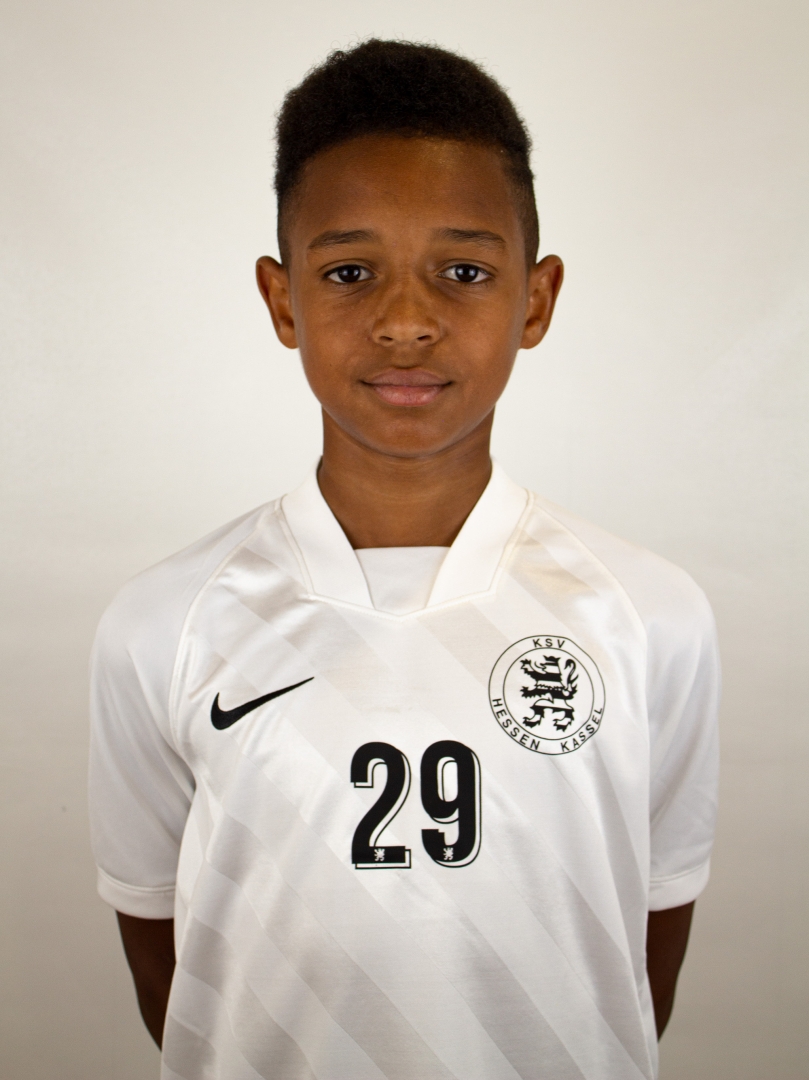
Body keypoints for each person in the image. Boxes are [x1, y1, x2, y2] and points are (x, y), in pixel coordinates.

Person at [89, 39, 720, 1080]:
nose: (405, 322)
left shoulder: (648, 614)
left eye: (462, 272)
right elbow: (168, 955)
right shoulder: (164, 622)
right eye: (349, 273)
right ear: (282, 300)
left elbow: (639, 943)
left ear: (535, 299)